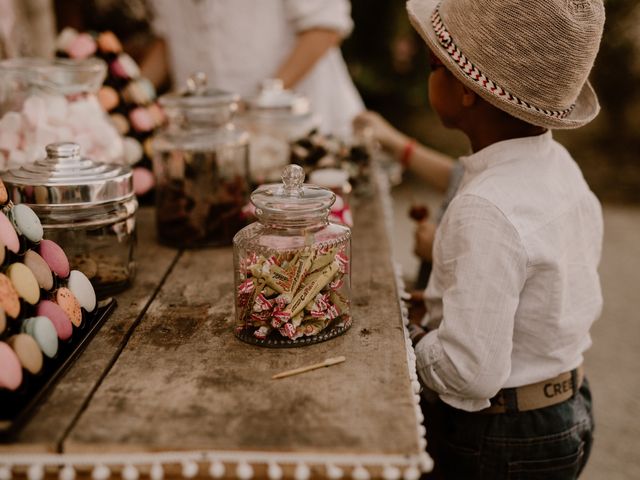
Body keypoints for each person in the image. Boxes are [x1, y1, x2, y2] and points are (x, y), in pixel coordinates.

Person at [400, 0, 605, 478]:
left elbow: (469, 371)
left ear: (468, 91)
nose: (430, 75)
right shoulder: (559, 168)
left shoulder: (486, 207)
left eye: (436, 65)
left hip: (501, 435)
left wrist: (409, 337)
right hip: (567, 404)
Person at [142, 0, 364, 138]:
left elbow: (324, 29)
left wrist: (257, 104)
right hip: (210, 141)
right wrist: (130, 96)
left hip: (307, 132)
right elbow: (169, 39)